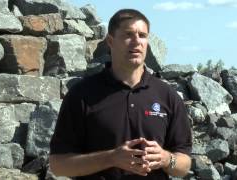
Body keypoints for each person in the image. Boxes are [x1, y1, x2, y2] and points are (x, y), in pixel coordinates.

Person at [49, 9, 192, 180]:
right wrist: (111, 158)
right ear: (110, 41)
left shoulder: (167, 95)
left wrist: (166, 159)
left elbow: (184, 166)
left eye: (142, 35)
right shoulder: (82, 94)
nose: (136, 41)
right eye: (128, 34)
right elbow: (58, 165)